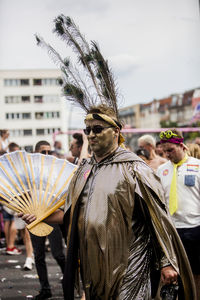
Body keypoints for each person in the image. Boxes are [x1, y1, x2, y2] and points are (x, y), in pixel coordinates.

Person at [21, 15, 196, 300]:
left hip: (130, 265)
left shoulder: (136, 169)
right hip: (92, 267)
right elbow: (71, 214)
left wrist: (167, 261)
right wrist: (40, 215)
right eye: (87, 129)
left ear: (116, 131)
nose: (90, 135)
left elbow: (159, 221)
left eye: (97, 129)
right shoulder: (84, 170)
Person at [157, 129, 200, 299]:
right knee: (175, 275)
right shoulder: (161, 170)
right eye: (164, 151)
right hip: (172, 231)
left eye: (170, 150)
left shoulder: (197, 166)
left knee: (196, 274)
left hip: (195, 228)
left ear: (182, 146)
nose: (167, 154)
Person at [30, 141, 66, 300]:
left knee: (58, 254)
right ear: (35, 152)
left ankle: (69, 282)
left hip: (52, 215)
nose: (46, 155)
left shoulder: (53, 171)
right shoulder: (29, 171)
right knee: (38, 256)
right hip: (35, 216)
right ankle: (45, 289)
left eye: (48, 152)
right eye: (43, 152)